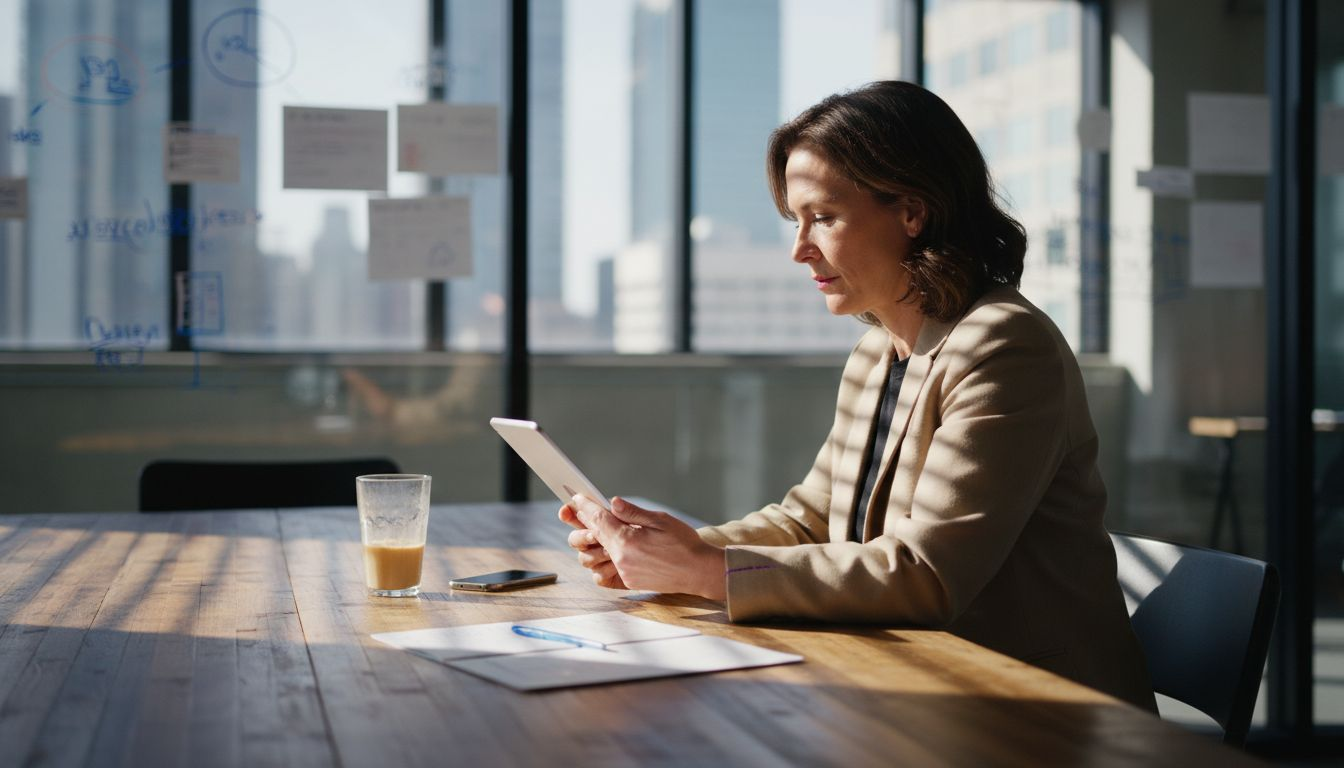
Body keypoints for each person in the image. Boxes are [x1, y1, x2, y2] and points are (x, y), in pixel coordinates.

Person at [559, 81, 1156, 712]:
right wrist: (677, 550)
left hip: (1036, 713)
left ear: (911, 212)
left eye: (824, 218)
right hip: (914, 685)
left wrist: (704, 572)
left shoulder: (1006, 346)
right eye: (796, 221)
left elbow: (925, 577)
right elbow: (810, 519)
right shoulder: (878, 349)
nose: (799, 249)